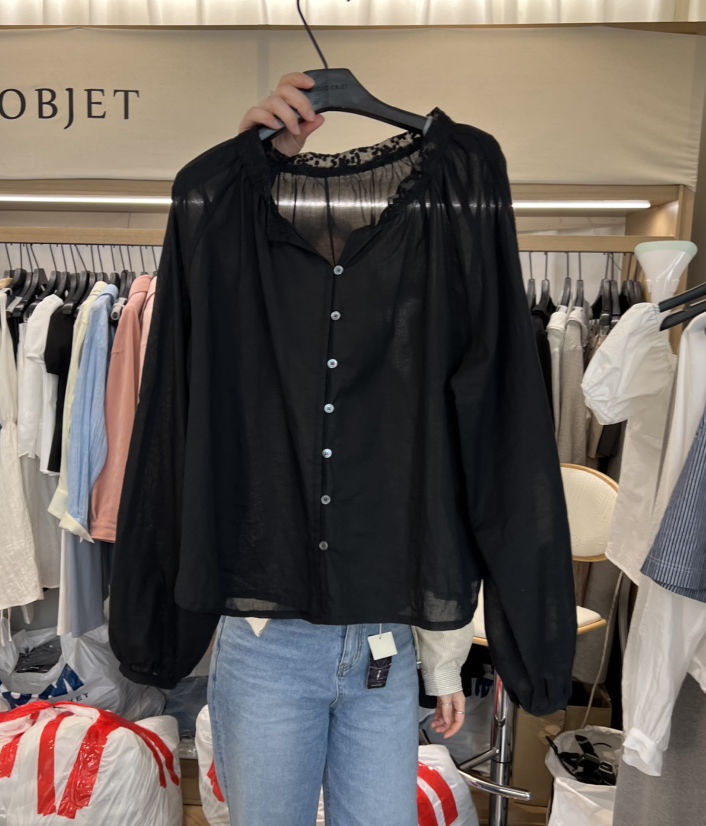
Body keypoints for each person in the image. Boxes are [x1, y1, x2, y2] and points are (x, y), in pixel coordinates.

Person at [204, 73, 474, 826]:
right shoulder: (247, 322)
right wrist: (250, 163)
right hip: (271, 641)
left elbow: (440, 498)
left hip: (386, 639)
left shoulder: (418, 331)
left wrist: (445, 659)